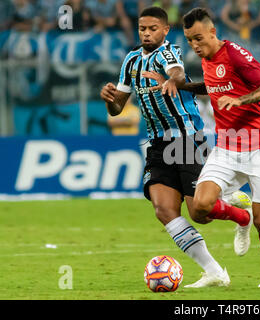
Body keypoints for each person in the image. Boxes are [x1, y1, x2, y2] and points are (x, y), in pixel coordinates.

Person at [100, 6, 229, 288]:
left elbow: (178, 73)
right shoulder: (131, 60)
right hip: (157, 144)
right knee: (164, 210)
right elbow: (116, 109)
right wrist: (110, 98)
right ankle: (214, 272)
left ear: (165, 30)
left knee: (200, 213)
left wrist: (173, 80)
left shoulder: (168, 53)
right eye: (142, 29)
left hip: (186, 139)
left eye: (153, 29)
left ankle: (232, 202)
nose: (147, 33)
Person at [181, 8, 260, 288]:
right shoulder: (206, 58)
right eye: (190, 40)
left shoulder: (235, 53)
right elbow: (213, 87)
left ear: (213, 32)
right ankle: (241, 217)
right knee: (200, 208)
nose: (194, 46)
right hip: (226, 146)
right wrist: (183, 86)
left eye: (198, 39)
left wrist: (240, 101)